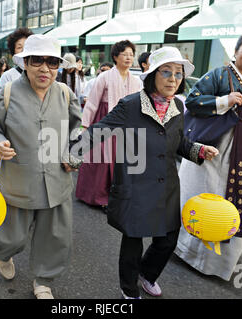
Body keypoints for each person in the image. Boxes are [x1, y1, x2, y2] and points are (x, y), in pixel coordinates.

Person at [70, 46, 219, 298]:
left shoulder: (178, 107)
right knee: (133, 242)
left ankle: (146, 274)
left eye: (178, 74)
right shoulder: (130, 105)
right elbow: (100, 129)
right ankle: (128, 289)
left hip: (166, 185)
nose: (173, 79)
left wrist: (199, 150)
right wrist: (70, 153)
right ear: (152, 75)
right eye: (166, 72)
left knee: (168, 239)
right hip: (134, 183)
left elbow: (179, 142)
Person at [0, 34, 82, 299]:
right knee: (11, 238)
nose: (45, 68)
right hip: (20, 180)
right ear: (25, 63)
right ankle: (3, 253)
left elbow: (77, 132)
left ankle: (43, 281)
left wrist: (74, 155)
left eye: (52, 62)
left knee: (55, 238)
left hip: (57, 181)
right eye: (37, 61)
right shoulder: (8, 92)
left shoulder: (65, 94)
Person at [174, 30, 242, 281]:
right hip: (213, 150)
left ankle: (223, 259)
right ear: (236, 51)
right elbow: (193, 101)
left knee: (233, 202)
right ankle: (190, 252)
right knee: (204, 197)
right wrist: (225, 100)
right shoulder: (218, 75)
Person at [76, 40, 141, 210]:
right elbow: (92, 102)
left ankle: (117, 196)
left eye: (131, 55)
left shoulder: (136, 80)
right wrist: (85, 125)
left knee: (121, 160)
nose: (128, 58)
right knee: (101, 160)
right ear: (115, 57)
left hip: (126, 124)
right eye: (124, 54)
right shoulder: (104, 77)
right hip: (105, 119)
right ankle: (98, 196)